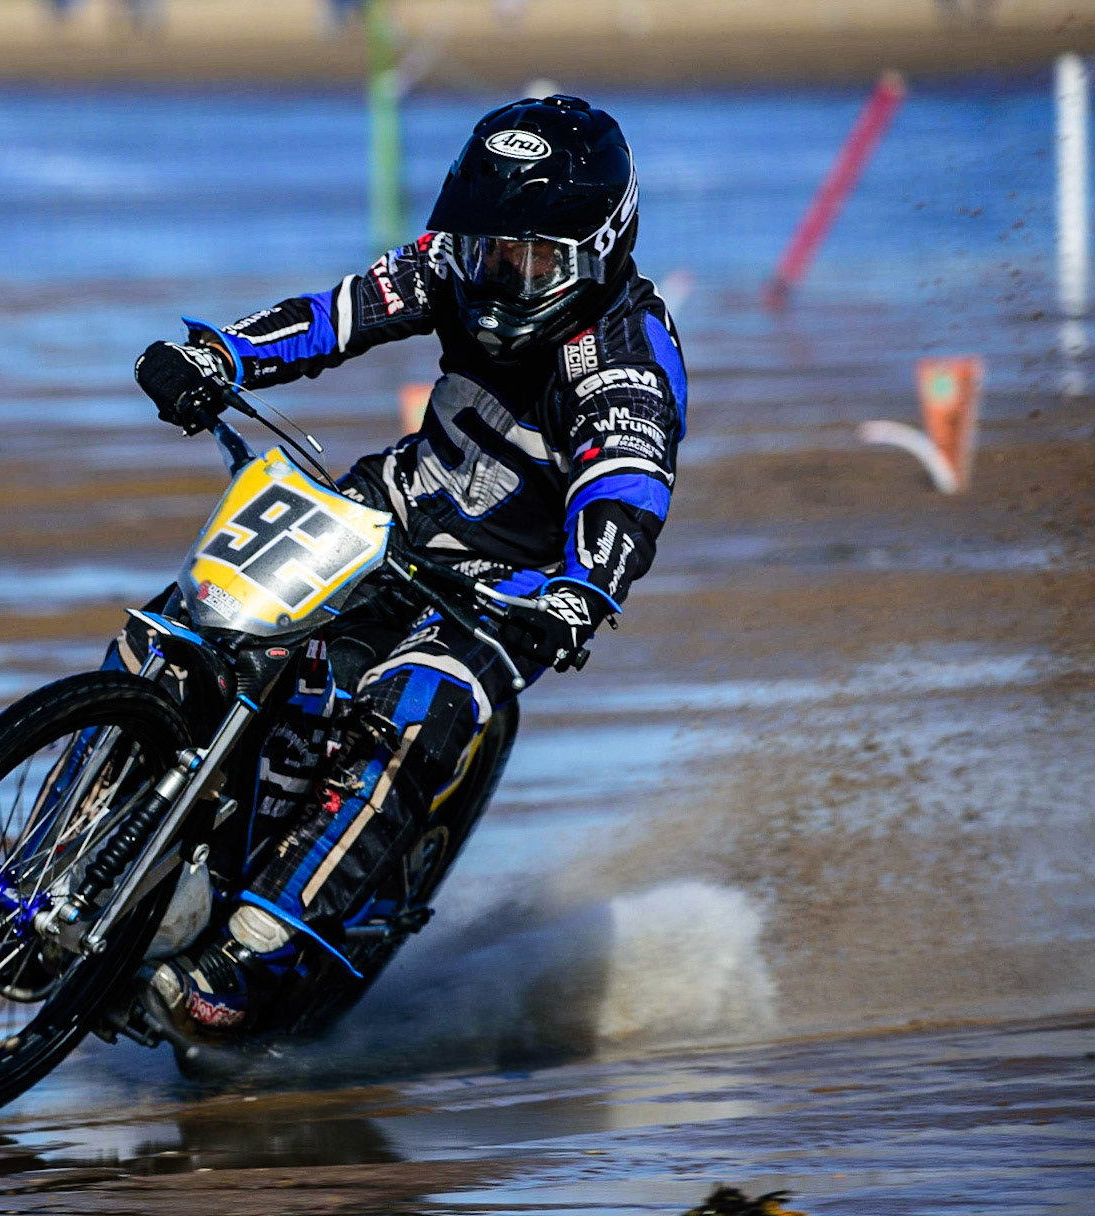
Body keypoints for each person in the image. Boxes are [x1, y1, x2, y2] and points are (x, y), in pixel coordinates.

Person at [126, 95, 688, 1040]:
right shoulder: (458, 261)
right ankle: (48, 877)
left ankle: (254, 945)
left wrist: (582, 591)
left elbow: (626, 485)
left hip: (514, 590)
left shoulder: (625, 357)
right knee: (189, 621)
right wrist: (216, 354)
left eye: (531, 259)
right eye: (485, 249)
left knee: (410, 714)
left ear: (599, 247)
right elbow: (335, 315)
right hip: (390, 509)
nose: (500, 275)